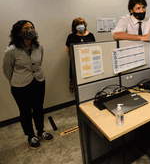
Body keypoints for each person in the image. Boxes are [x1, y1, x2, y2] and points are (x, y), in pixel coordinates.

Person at [3, 20, 54, 149]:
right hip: (20, 85)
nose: (30, 30)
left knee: (38, 108)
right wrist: (15, 81)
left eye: (32, 27)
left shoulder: (39, 47)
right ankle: (31, 136)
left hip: (38, 80)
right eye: (26, 28)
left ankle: (41, 131)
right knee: (25, 111)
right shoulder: (11, 50)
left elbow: (38, 63)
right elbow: (7, 69)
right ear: (19, 33)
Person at [65, 17, 95, 92]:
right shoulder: (71, 36)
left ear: (85, 25)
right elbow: (68, 52)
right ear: (74, 26)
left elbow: (94, 49)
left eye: (82, 24)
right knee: (77, 85)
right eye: (78, 24)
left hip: (89, 64)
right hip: (76, 64)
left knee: (89, 84)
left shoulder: (90, 35)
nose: (80, 25)